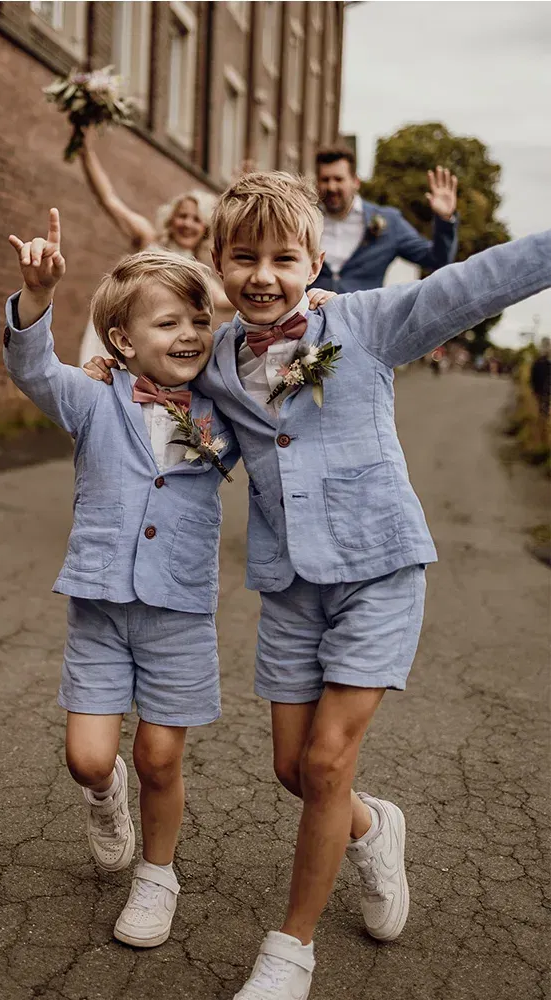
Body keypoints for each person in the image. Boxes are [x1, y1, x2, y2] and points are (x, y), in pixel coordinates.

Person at [84, 172, 551, 1000]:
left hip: (378, 568)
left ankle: (290, 950)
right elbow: (185, 415)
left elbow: (475, 281)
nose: (262, 275)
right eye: (243, 258)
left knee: (331, 761)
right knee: (296, 772)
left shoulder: (366, 324)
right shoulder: (221, 361)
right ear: (221, 263)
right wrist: (108, 377)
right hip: (291, 587)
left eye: (282, 257)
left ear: (315, 259)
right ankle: (375, 830)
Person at [3, 209, 238, 949]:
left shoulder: (225, 409)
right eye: (167, 322)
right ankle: (107, 803)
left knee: (160, 757)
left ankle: (158, 876)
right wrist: (37, 301)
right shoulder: (93, 396)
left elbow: (275, 359)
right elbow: (32, 368)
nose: (190, 334)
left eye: (198, 318)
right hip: (101, 607)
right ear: (121, 342)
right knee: (90, 757)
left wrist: (314, 310)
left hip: (179, 612)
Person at [77, 133, 230, 364]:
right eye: (182, 216)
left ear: (205, 229)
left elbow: (225, 300)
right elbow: (109, 199)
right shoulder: (147, 239)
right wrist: (86, 152)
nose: (187, 224)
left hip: (149, 345)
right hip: (119, 328)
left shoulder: (196, 271)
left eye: (196, 219)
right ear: (171, 219)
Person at [314, 145, 459, 292]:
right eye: (325, 180)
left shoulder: (389, 222)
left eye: (338, 179)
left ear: (355, 182)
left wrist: (444, 218)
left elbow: (436, 260)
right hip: (311, 313)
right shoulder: (305, 219)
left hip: (365, 314)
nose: (331, 187)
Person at [530, 336, 551, 416]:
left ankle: (543, 423)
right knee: (543, 410)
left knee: (543, 409)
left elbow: (533, 377)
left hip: (543, 390)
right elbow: (533, 377)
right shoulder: (539, 363)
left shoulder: (538, 362)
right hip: (542, 390)